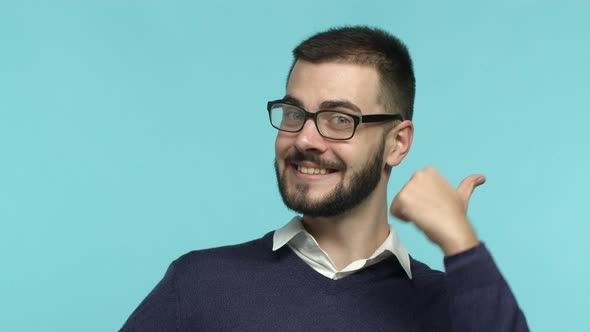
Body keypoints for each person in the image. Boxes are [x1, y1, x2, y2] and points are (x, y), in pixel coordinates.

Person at [120, 26, 529, 331]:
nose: (304, 138)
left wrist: (462, 245)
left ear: (397, 143)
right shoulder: (199, 284)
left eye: (339, 119)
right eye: (294, 113)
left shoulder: (453, 307)